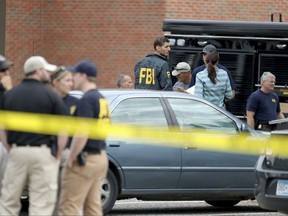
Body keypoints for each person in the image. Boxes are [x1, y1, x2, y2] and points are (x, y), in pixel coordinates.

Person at [0, 56, 68, 216]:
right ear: (38, 71)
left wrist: (9, 147)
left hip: (17, 152)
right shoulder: (52, 96)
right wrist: (58, 154)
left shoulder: (10, 95)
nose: (48, 74)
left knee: (9, 201)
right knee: (41, 203)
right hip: (43, 154)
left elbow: (2, 127)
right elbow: (63, 129)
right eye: (45, 70)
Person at [59, 60, 110, 216]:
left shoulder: (86, 100)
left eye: (75, 74)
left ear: (83, 76)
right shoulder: (101, 98)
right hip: (100, 157)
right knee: (92, 207)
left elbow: (82, 132)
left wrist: (71, 157)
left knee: (69, 206)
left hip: (85, 158)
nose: (72, 78)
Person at [50, 66, 79, 216]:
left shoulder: (75, 102)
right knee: (50, 195)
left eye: (72, 81)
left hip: (68, 152)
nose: (70, 84)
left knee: (68, 194)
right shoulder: (46, 100)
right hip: (48, 153)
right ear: (55, 82)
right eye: (67, 80)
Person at [0, 55, 13, 193]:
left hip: (4, 144)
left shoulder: (6, 91)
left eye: (7, 70)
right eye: (3, 70)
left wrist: (9, 90)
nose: (7, 74)